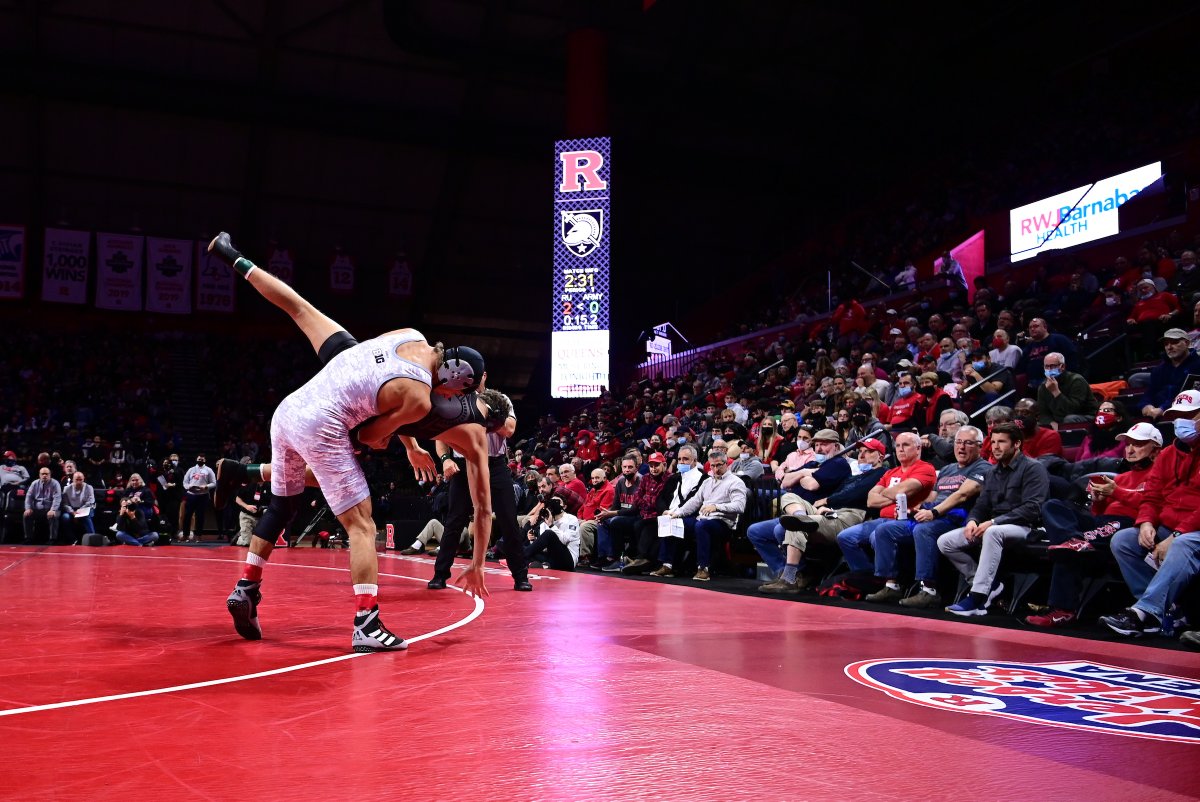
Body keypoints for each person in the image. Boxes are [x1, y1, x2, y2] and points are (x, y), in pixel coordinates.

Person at [205, 231, 489, 652]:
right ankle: (366, 623)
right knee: (361, 523)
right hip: (323, 423)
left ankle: (246, 587)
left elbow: (355, 357)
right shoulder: (418, 395)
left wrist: (406, 441)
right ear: (454, 378)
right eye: (457, 393)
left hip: (288, 411)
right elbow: (371, 434)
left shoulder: (409, 334)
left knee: (283, 504)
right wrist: (388, 437)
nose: (449, 400)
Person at [1025, 423, 1161, 628]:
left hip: (1130, 525)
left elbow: (1153, 504)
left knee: (1068, 550)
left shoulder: (1159, 474)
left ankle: (1062, 610)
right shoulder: (1122, 477)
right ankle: (1072, 539)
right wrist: (1098, 499)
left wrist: (1115, 492)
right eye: (1128, 444)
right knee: (1053, 506)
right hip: (1104, 522)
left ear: (1155, 449)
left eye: (1138, 444)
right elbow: (1100, 514)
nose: (1130, 449)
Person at [1100, 391, 1200, 638]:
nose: (1181, 421)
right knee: (1123, 540)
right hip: (1170, 526)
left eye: (1189, 415)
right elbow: (1152, 496)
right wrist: (1145, 522)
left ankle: (1146, 612)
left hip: (1192, 531)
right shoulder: (1167, 454)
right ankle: (1165, 611)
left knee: (1183, 544)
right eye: (1177, 416)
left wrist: (1175, 535)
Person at [860, 427, 991, 608]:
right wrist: (916, 509)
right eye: (958, 442)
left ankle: (929, 590)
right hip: (934, 515)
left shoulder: (983, 467)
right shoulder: (947, 469)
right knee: (884, 530)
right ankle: (891, 585)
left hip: (957, 519)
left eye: (968, 443)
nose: (961, 447)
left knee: (923, 530)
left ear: (980, 446)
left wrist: (934, 512)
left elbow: (962, 495)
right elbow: (932, 497)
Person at [937, 422, 1049, 616]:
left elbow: (1033, 508)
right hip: (994, 526)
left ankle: (977, 598)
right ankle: (989, 584)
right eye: (994, 442)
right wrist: (972, 520)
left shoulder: (1033, 468)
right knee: (945, 541)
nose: (996, 447)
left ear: (1017, 444)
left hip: (1027, 527)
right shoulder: (992, 472)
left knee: (992, 531)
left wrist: (995, 522)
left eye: (1002, 442)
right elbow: (982, 505)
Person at [754, 438, 887, 592]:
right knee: (787, 497)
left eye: (869, 451)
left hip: (849, 515)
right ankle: (800, 516)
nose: (862, 455)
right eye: (861, 452)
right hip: (827, 512)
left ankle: (789, 578)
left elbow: (857, 495)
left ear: (881, 457)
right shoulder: (853, 477)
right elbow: (785, 482)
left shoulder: (881, 474)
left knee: (794, 525)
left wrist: (827, 501)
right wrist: (824, 506)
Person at [654, 444, 747, 581]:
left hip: (723, 522)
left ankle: (703, 568)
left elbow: (740, 506)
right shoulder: (707, 482)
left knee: (701, 526)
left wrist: (717, 507)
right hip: (703, 519)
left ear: (726, 464)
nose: (715, 469)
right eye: (712, 466)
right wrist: (677, 513)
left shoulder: (736, 482)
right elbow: (694, 502)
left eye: (719, 465)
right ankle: (668, 565)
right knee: (673, 522)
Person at [1138, 328, 1200, 420]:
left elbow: (1190, 396)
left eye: (1174, 342)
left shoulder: (1197, 365)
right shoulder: (1159, 369)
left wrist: (1163, 409)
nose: (1169, 347)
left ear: (1187, 343)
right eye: (1166, 344)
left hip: (1187, 416)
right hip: (1157, 415)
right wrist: (1146, 405)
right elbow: (1149, 392)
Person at [1036, 352, 1098, 428]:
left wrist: (1056, 392)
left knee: (1069, 419)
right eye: (1046, 366)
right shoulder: (1043, 387)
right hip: (1059, 420)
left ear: (1062, 366)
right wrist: (1051, 422)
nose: (1049, 369)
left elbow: (1073, 410)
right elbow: (1043, 413)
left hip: (1085, 416)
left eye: (1052, 366)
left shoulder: (1076, 380)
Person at [522, 495, 579, 571]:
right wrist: (532, 540)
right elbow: (543, 548)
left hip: (568, 561)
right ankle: (536, 563)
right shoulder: (545, 520)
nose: (554, 504)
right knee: (525, 547)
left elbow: (565, 540)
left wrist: (551, 525)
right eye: (552, 502)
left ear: (564, 507)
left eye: (557, 502)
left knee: (549, 533)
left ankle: (521, 557)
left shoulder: (571, 519)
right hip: (551, 558)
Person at [179, 455, 215, 542]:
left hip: (203, 496)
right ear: (196, 459)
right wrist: (188, 487)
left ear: (205, 460)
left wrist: (206, 486)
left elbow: (214, 483)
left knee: (200, 517)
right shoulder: (191, 469)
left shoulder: (209, 470)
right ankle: (185, 535)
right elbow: (185, 482)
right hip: (191, 495)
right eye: (199, 459)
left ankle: (198, 536)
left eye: (202, 459)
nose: (200, 460)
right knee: (187, 516)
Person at [22, 466, 62, 545]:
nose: (44, 476)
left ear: (50, 475)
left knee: (54, 515)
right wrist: (28, 508)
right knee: (26, 515)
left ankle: (52, 539)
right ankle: (28, 538)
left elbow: (57, 498)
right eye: (42, 474)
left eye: (46, 474)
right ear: (39, 475)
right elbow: (28, 497)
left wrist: (53, 509)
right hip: (37, 509)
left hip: (51, 508)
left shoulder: (55, 483)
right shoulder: (34, 483)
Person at [60, 470, 96, 543]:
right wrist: (72, 512)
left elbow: (90, 501)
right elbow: (65, 504)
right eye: (77, 480)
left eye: (81, 480)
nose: (79, 482)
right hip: (72, 509)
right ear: (73, 479)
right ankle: (72, 539)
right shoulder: (67, 489)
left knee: (87, 516)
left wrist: (79, 512)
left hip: (85, 508)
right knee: (65, 517)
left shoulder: (89, 487)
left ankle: (93, 537)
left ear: (83, 479)